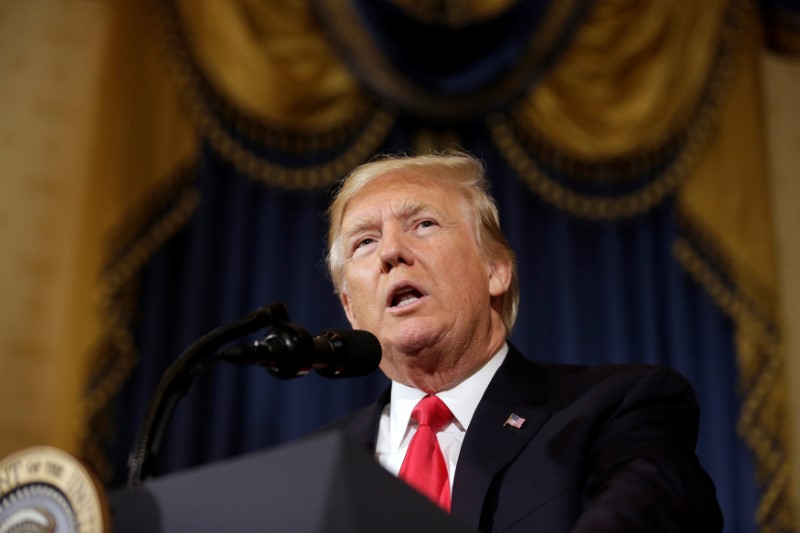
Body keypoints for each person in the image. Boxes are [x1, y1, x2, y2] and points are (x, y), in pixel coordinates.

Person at [324, 152, 722, 532]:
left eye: (423, 224)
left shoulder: (616, 407)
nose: (392, 251)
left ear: (495, 270)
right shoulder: (317, 465)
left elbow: (653, 511)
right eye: (365, 242)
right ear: (350, 309)